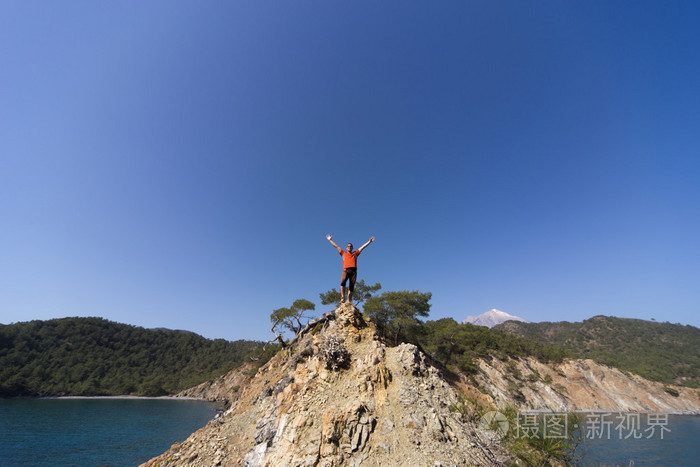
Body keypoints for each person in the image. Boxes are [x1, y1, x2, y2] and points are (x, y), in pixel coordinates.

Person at [326, 234, 375, 303]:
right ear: (346, 248)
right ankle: (342, 297)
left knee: (351, 286)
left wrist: (369, 242)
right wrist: (330, 240)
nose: (349, 247)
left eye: (350, 246)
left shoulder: (355, 253)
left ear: (352, 248)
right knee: (343, 282)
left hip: (354, 271)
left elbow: (363, 247)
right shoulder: (343, 253)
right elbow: (336, 246)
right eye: (348, 246)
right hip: (346, 270)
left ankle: (349, 300)